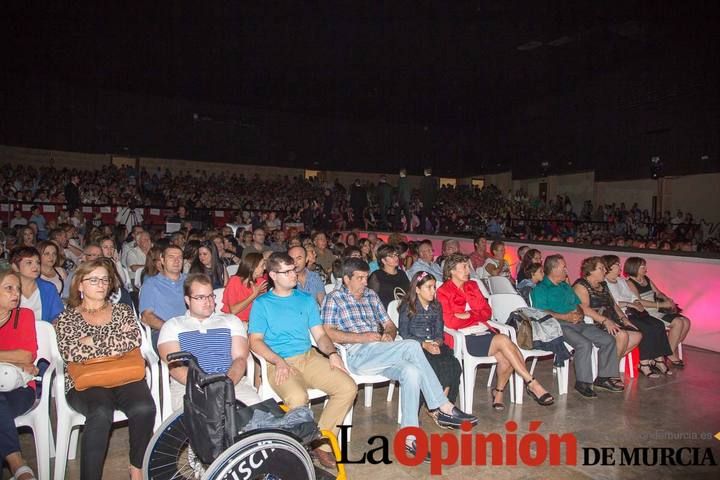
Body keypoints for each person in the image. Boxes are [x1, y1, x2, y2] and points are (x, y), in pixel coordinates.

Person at [322, 257, 477, 462]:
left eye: (366, 277)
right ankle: (442, 405)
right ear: (346, 278)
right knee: (413, 345)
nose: (365, 282)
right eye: (359, 278)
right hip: (357, 354)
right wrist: (362, 337)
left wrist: (388, 332)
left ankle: (410, 438)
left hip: (381, 350)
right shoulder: (334, 299)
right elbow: (328, 333)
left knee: (411, 372)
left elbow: (389, 324)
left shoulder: (370, 295)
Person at [249, 253, 357, 469]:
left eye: (294, 270)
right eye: (287, 271)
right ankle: (295, 451)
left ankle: (321, 443)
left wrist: (333, 354)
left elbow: (320, 335)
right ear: (273, 275)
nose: (293, 274)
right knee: (298, 397)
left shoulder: (305, 300)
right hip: (278, 362)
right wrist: (278, 361)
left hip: (308, 357)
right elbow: (255, 341)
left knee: (348, 387)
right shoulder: (262, 304)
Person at [55, 259, 156, 480]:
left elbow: (132, 340)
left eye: (104, 279)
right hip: (86, 382)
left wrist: (91, 341)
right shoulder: (66, 317)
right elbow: (71, 352)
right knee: (100, 413)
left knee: (144, 407)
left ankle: (137, 468)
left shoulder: (122, 310)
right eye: (93, 280)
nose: (101, 284)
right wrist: (113, 342)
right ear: (80, 285)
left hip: (125, 375)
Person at [437, 254, 553, 410]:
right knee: (505, 341)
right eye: (464, 267)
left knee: (507, 357)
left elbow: (487, 312)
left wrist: (468, 315)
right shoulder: (443, 291)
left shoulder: (472, 285)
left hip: (483, 331)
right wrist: (475, 315)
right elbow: (450, 321)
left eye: (468, 266)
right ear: (451, 270)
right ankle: (532, 383)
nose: (468, 270)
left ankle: (498, 393)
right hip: (463, 338)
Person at [159, 273, 261, 411]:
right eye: (200, 297)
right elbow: (175, 366)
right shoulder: (173, 325)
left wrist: (226, 384)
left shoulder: (230, 321)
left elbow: (240, 359)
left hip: (231, 382)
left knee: (257, 414)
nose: (208, 302)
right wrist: (205, 386)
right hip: (189, 386)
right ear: (187, 300)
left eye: (210, 296)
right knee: (205, 418)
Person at [531, 254, 622, 398]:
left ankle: (603, 378)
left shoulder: (565, 286)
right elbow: (540, 312)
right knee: (584, 344)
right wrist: (565, 317)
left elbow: (578, 304)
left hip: (578, 323)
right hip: (558, 325)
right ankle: (583, 382)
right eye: (563, 267)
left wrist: (579, 314)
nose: (567, 270)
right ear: (553, 269)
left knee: (608, 340)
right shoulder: (541, 289)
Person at [602, 255, 673, 377]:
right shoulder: (605, 283)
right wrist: (631, 304)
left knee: (658, 324)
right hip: (623, 313)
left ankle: (659, 360)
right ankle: (643, 363)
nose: (620, 267)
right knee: (646, 328)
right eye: (617, 265)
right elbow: (613, 303)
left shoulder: (621, 281)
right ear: (609, 267)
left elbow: (632, 296)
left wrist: (636, 303)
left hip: (634, 311)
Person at [398, 271, 462, 404]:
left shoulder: (436, 306)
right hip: (416, 347)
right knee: (434, 365)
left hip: (435, 345)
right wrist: (425, 345)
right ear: (417, 289)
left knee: (454, 365)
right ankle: (439, 404)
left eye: (434, 287)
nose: (433, 291)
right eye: (429, 287)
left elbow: (439, 331)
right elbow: (404, 333)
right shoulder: (408, 307)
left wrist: (437, 343)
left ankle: (444, 403)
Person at [0, 270, 39, 480]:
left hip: (21, 389)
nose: (16, 293)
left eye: (17, 288)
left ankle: (16, 465)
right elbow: (20, 358)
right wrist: (10, 358)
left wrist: (20, 360)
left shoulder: (24, 315)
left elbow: (26, 355)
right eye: (8, 288)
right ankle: (18, 465)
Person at [573, 257, 642, 368]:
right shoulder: (581, 285)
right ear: (591, 271)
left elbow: (613, 304)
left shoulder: (603, 285)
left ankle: (608, 366)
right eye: (601, 268)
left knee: (637, 335)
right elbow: (584, 308)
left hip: (611, 319)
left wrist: (624, 319)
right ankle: (609, 371)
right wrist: (605, 321)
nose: (605, 271)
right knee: (622, 335)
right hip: (595, 323)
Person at [624, 257, 691, 368]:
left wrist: (667, 300)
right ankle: (670, 353)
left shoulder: (646, 279)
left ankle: (669, 350)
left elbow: (658, 293)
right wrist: (661, 305)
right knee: (678, 322)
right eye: (642, 266)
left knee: (686, 321)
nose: (645, 268)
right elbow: (639, 302)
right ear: (634, 268)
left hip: (658, 309)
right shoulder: (629, 283)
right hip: (648, 312)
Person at [139, 245, 187, 347]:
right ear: (162, 260)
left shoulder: (190, 281)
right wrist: (171, 329)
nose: (176, 261)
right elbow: (146, 317)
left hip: (191, 329)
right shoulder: (151, 284)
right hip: (163, 331)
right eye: (171, 257)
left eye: (179, 257)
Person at [11, 247, 64, 323]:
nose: (35, 266)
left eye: (38, 262)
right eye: (29, 262)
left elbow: (58, 315)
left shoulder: (49, 288)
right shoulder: (7, 289)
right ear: (15, 267)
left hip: (43, 332)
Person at [222, 253, 268, 323]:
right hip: (235, 321)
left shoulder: (261, 282)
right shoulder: (235, 281)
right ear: (254, 267)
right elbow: (234, 311)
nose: (264, 268)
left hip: (254, 321)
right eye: (262, 265)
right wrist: (254, 295)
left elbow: (264, 308)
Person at [368, 244, 409, 308]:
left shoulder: (402, 273)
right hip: (385, 312)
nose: (396, 258)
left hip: (403, 310)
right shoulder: (377, 275)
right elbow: (371, 299)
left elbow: (408, 293)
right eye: (391, 256)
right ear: (383, 261)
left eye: (396, 255)